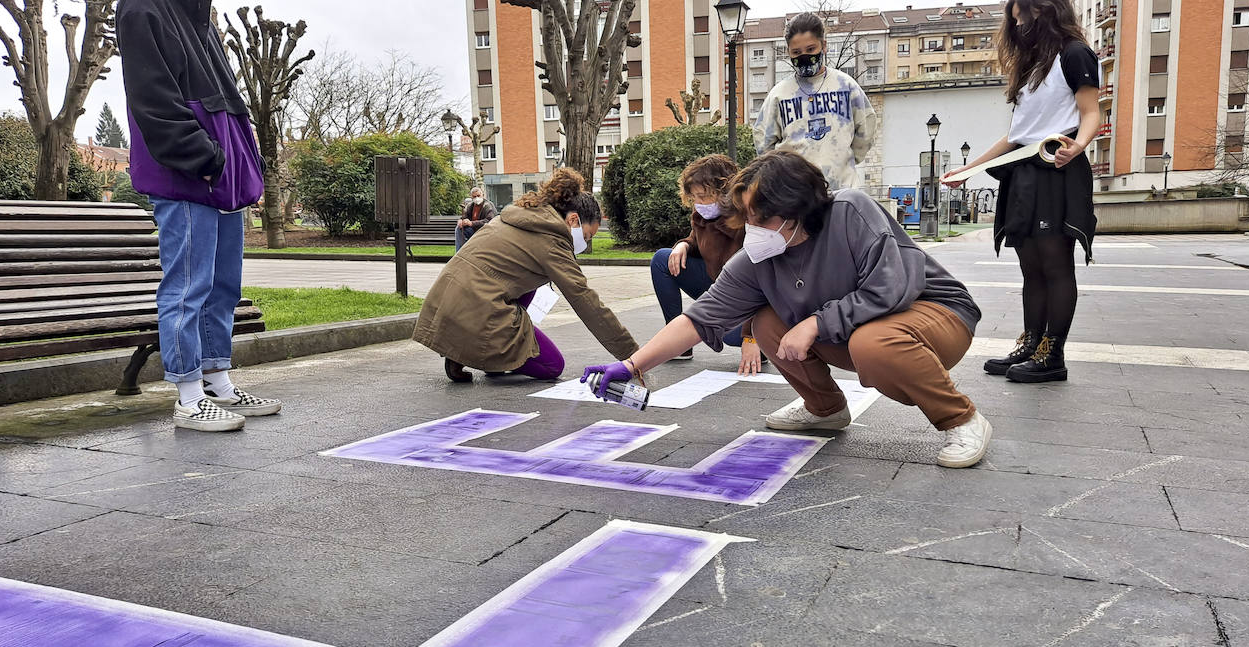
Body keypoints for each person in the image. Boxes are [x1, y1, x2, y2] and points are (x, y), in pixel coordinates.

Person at [583, 152, 992, 469]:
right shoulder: (758, 257)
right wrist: (633, 365)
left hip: (935, 315)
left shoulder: (850, 212)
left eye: (761, 216)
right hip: (856, 331)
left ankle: (961, 420)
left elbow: (893, 287)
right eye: (747, 216)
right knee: (766, 322)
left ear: (797, 208)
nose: (751, 227)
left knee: (874, 343)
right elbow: (700, 317)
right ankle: (825, 409)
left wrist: (817, 322)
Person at [118, 0, 281, 432]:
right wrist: (205, 158)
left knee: (222, 285)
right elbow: (152, 99)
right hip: (187, 174)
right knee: (188, 287)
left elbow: (227, 102)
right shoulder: (141, 10)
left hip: (220, 176)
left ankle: (217, 383)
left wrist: (238, 162)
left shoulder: (198, 17)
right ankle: (189, 397)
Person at [944, 0, 1100, 383]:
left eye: (1025, 15)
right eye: (1015, 18)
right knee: (1030, 266)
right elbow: (1016, 136)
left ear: (1047, 10)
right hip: (1024, 171)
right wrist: (970, 168)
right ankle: (1031, 343)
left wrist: (1077, 146)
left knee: (1054, 263)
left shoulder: (1075, 53)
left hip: (1057, 167)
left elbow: (1092, 112)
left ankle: (1053, 353)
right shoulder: (1030, 67)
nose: (1019, 23)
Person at [415, 167, 639, 383]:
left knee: (533, 282)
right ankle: (486, 353)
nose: (586, 243)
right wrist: (634, 356)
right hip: (479, 309)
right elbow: (586, 301)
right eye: (588, 236)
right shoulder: (552, 242)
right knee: (552, 366)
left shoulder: (519, 216)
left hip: (446, 305)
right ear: (573, 220)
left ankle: (468, 352)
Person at [650, 154, 763, 374]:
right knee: (662, 259)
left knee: (730, 336)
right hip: (717, 286)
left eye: (703, 196)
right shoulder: (701, 214)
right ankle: (679, 343)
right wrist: (683, 245)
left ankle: (763, 343)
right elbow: (698, 239)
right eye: (694, 198)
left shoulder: (748, 219)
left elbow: (759, 282)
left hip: (747, 302)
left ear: (725, 191)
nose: (698, 204)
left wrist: (750, 337)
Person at [754, 12, 877, 193]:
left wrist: (842, 160)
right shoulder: (778, 95)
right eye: (796, 52)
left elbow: (865, 132)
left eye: (811, 49)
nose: (804, 56)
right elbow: (764, 145)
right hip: (796, 198)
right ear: (788, 51)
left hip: (841, 193)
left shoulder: (846, 86)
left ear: (824, 45)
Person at [455, 187, 499, 252]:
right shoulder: (470, 205)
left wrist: (472, 223)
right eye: (474, 197)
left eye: (478, 196)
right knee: (458, 228)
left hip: (485, 232)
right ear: (472, 197)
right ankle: (460, 252)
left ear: (483, 195)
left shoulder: (488, 205)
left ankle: (466, 251)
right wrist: (461, 220)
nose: (476, 198)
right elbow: (465, 216)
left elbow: (490, 220)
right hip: (473, 231)